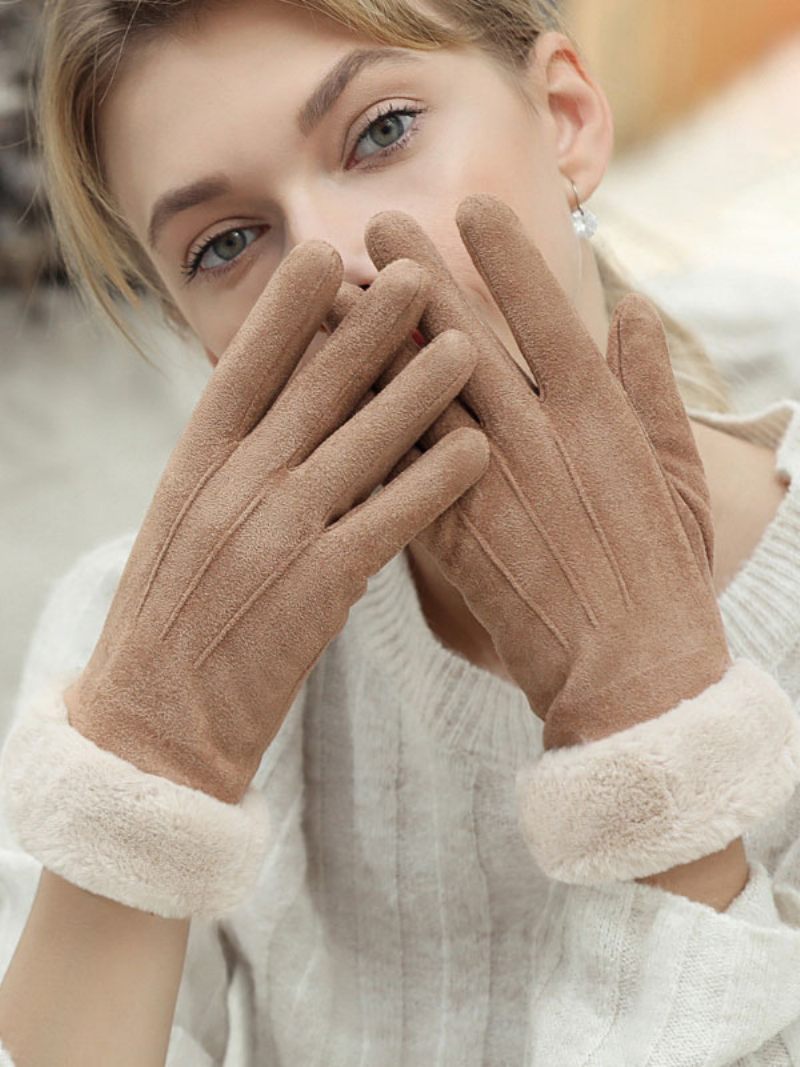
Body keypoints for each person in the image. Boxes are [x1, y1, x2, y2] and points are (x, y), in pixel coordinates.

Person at [1, 1, 800, 1063]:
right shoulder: (117, 642)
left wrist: (657, 741)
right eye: (226, 244)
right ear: (196, 338)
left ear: (563, 117)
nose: (329, 265)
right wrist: (147, 777)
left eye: (380, 133)